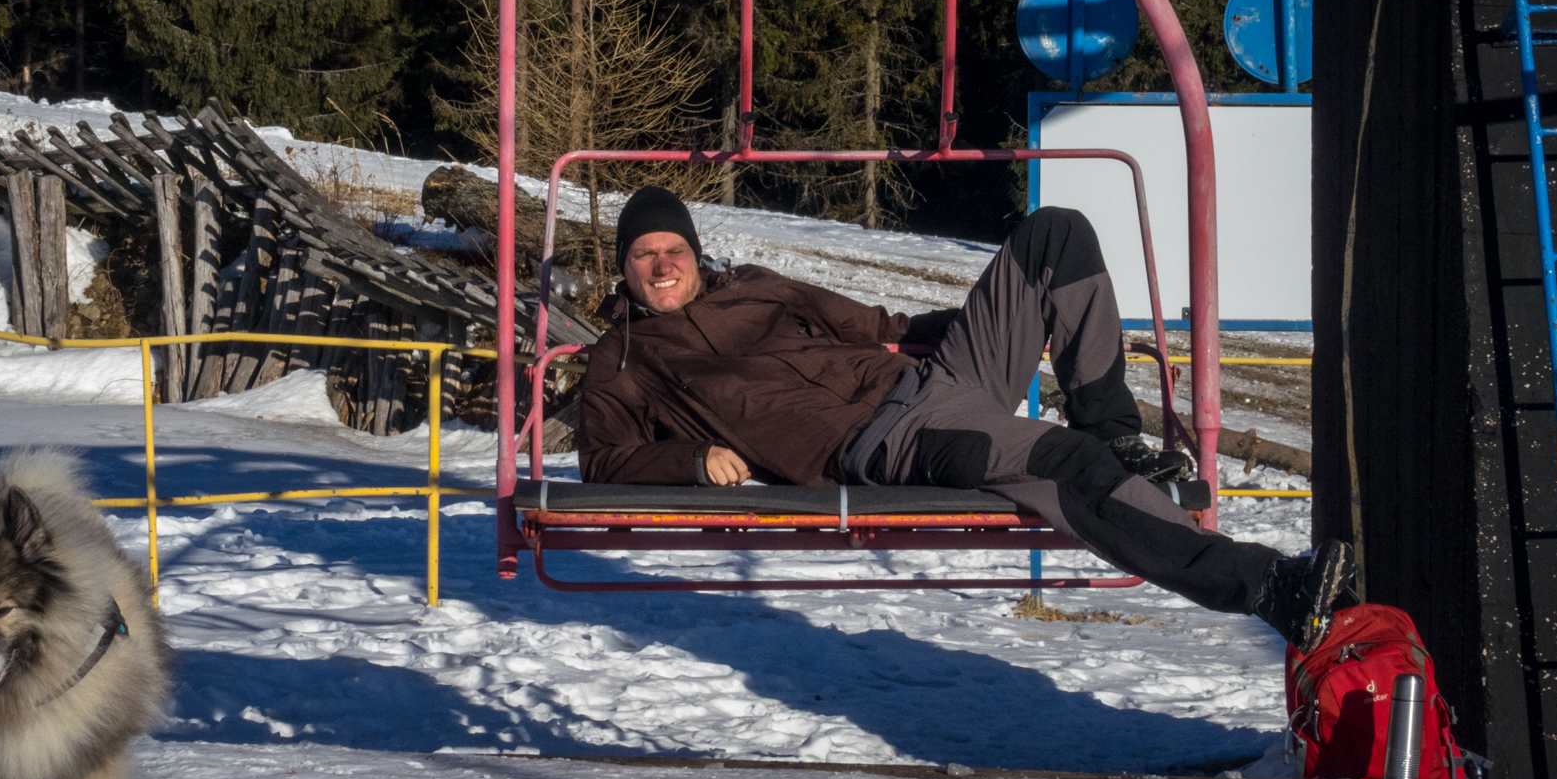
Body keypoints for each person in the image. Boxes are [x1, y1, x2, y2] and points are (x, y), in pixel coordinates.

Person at [578, 185, 1355, 652]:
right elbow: (603, 459)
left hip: (933, 375)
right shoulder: (623, 358)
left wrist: (1006, 315)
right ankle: (1263, 588)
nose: (661, 264)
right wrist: (691, 459)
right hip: (888, 439)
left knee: (1055, 233)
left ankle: (1114, 430)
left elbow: (874, 319)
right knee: (1062, 466)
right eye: (643, 254)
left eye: (672, 247)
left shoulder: (755, 285)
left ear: (694, 249)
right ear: (625, 267)